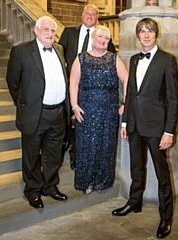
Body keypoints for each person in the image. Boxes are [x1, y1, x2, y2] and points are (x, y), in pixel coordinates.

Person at [111, 18, 178, 239]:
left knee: (162, 174)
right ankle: (134, 203)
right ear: (138, 35)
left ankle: (166, 217)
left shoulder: (168, 61)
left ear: (155, 34)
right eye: (142, 31)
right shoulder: (132, 60)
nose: (146, 35)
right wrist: (125, 123)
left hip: (157, 127)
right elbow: (131, 94)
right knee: (136, 169)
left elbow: (172, 99)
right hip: (134, 126)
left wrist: (169, 131)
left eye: (150, 31)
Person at [6, 16, 70, 209]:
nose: (50, 34)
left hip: (58, 113)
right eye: (46, 30)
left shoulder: (59, 49)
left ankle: (50, 186)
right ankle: (33, 190)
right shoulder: (21, 51)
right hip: (35, 113)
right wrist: (26, 104)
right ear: (36, 30)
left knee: (53, 154)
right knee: (32, 155)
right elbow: (13, 82)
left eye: (53, 30)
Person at [69, 25, 128, 194]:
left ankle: (102, 180)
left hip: (109, 110)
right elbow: (73, 82)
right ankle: (87, 181)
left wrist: (125, 102)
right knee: (88, 145)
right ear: (93, 38)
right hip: (86, 110)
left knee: (106, 145)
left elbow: (127, 79)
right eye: (100, 37)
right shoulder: (81, 58)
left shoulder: (114, 59)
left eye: (106, 38)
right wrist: (74, 105)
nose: (103, 40)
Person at [58, 4, 116, 170]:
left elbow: (112, 59)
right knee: (67, 118)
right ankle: (66, 144)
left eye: (94, 13)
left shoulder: (102, 36)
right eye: (87, 13)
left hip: (93, 90)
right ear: (82, 14)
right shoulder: (69, 32)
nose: (90, 16)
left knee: (84, 122)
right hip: (72, 85)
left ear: (97, 17)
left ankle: (76, 155)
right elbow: (59, 55)